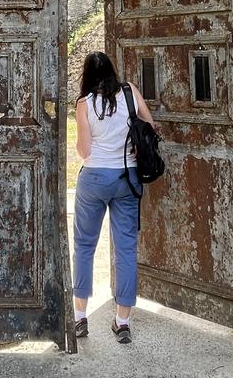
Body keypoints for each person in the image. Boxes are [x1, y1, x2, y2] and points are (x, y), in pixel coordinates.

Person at [72, 51, 157, 344]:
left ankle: (80, 317)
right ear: (111, 71)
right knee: (125, 249)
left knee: (84, 246)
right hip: (127, 178)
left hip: (94, 179)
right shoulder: (130, 91)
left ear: (87, 75)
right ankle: (122, 322)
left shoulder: (84, 104)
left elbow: (84, 151)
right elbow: (151, 126)